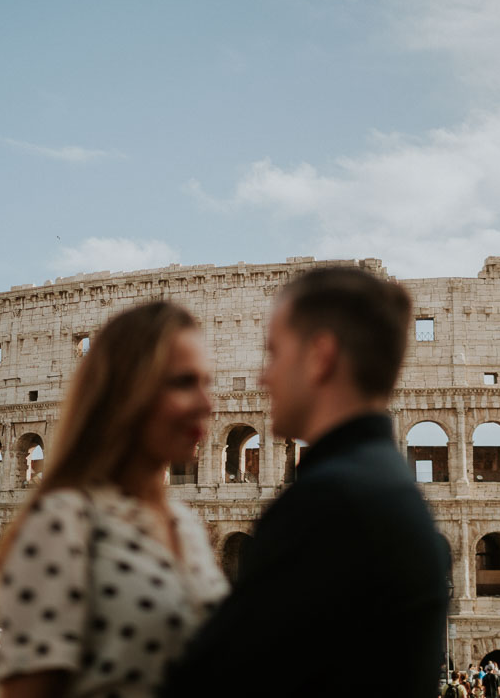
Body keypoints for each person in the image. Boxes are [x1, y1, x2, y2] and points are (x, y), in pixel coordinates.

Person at [164, 266, 451, 698]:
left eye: (275, 354)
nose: (264, 377)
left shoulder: (327, 503)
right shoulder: (389, 489)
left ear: (321, 356)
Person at [0, 301, 228, 698]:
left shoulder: (185, 523)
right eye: (184, 383)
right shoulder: (62, 521)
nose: (206, 404)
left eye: (206, 383)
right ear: (128, 392)